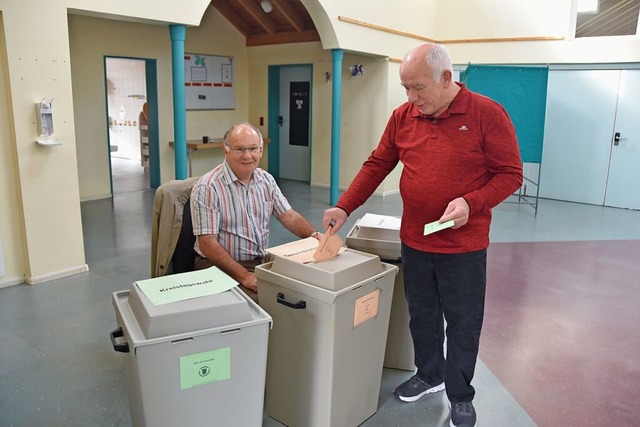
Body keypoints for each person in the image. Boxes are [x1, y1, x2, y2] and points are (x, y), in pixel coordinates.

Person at [322, 43, 523, 427]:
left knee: (463, 322)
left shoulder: (487, 114)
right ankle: (430, 374)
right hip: (415, 239)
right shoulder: (404, 116)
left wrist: (472, 202)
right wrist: (345, 206)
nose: (412, 98)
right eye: (405, 89)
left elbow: (510, 174)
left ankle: (460, 394)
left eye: (418, 88)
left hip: (463, 246)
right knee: (423, 315)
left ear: (446, 78)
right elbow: (378, 163)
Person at [191, 123, 320, 300]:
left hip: (261, 261)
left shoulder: (265, 180)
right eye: (239, 149)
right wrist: (245, 277)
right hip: (217, 266)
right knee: (267, 302)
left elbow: (288, 216)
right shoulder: (208, 187)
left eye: (253, 149)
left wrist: (315, 236)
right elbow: (207, 244)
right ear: (225, 150)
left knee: (308, 289)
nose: (247, 156)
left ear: (260, 151)